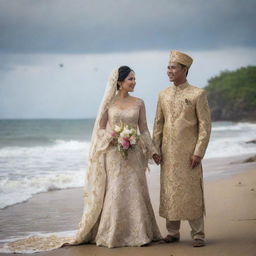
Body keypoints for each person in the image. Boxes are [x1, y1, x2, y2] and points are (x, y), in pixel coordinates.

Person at [4, 66, 162, 252]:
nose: (134, 82)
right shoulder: (109, 103)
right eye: (130, 79)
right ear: (119, 82)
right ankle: (112, 234)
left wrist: (152, 151)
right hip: (113, 153)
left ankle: (140, 233)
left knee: (135, 189)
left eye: (135, 79)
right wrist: (110, 137)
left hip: (133, 153)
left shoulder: (139, 103)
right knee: (116, 190)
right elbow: (100, 128)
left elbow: (143, 129)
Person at [152, 50, 211, 247]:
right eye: (168, 67)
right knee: (170, 191)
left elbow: (205, 126)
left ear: (184, 70)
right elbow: (158, 124)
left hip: (189, 154)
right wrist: (156, 149)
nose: (169, 71)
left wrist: (198, 152)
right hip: (168, 153)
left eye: (173, 67)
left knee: (191, 191)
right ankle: (172, 232)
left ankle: (198, 234)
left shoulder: (197, 94)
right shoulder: (163, 94)